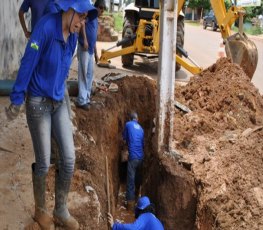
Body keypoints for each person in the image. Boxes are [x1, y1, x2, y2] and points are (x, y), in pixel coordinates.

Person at [6, 0, 97, 229]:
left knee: (68, 158)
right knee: (45, 162)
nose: (83, 22)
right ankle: (40, 210)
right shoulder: (45, 28)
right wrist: (17, 97)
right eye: (82, 16)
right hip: (37, 102)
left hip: (58, 101)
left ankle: (60, 209)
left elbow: (63, 68)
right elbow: (28, 61)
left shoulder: (74, 36)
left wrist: (63, 93)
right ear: (71, 11)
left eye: (86, 18)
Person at [75, 0, 105, 110]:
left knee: (90, 74)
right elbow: (82, 23)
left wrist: (96, 54)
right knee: (83, 73)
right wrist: (85, 40)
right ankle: (81, 100)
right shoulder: (91, 13)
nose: (101, 13)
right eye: (101, 10)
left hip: (91, 51)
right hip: (84, 48)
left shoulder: (95, 18)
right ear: (98, 8)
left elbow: (94, 37)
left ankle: (87, 97)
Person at [123, 111, 144, 210]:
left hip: (133, 157)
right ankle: (137, 197)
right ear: (137, 119)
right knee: (137, 178)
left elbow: (124, 138)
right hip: (141, 158)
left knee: (130, 180)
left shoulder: (128, 124)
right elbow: (142, 144)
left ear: (130, 119)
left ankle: (130, 205)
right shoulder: (141, 129)